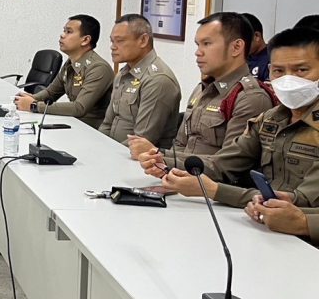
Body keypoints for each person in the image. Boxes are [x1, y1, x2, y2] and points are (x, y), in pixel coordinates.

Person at [162, 27, 319, 236]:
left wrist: (215, 191)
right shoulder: (269, 119)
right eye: (279, 71)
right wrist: (163, 160)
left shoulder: (253, 97)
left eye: (301, 70)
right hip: (263, 227)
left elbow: (303, 202)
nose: (288, 80)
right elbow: (225, 163)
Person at [133, 12, 274, 174]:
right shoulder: (203, 89)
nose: (198, 52)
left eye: (206, 44)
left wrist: (161, 157)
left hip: (207, 186)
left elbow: (228, 166)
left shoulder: (250, 97)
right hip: (178, 176)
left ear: (236, 47)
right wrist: (161, 161)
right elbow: (180, 145)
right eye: (198, 45)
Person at [14, 15, 112, 129]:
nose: (62, 35)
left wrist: (34, 105)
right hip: (73, 123)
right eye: (64, 31)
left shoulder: (98, 68)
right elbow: (51, 93)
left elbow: (79, 108)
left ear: (85, 40)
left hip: (91, 130)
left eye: (69, 32)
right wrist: (30, 98)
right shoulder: (70, 64)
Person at [98, 13, 182, 149]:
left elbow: (142, 139)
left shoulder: (157, 80)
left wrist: (105, 153)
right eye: (112, 41)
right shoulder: (123, 74)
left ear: (143, 40)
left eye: (120, 41)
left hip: (137, 158)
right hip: (113, 150)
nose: (113, 47)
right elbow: (107, 124)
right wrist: (96, 147)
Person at [243, 13, 270, 83]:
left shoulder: (272, 58)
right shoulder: (240, 59)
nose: (239, 45)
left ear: (257, 36)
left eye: (242, 39)